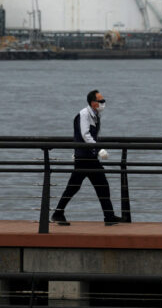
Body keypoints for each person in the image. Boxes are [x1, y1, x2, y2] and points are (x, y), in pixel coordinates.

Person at [51, 89, 123, 226]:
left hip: (88, 157)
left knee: (79, 186)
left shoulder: (95, 115)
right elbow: (85, 135)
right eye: (101, 101)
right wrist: (98, 148)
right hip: (85, 157)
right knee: (91, 185)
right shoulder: (84, 114)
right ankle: (108, 216)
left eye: (103, 100)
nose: (103, 103)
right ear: (93, 103)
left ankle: (108, 216)